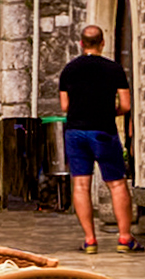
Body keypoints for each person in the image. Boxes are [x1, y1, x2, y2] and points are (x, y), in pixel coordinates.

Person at [57, 24, 135, 253]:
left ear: (81, 43)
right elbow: (126, 105)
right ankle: (124, 238)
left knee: (81, 184)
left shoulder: (69, 70)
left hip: (75, 131)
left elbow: (65, 105)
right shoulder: (114, 69)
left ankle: (90, 240)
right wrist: (113, 112)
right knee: (117, 183)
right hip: (103, 131)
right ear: (103, 43)